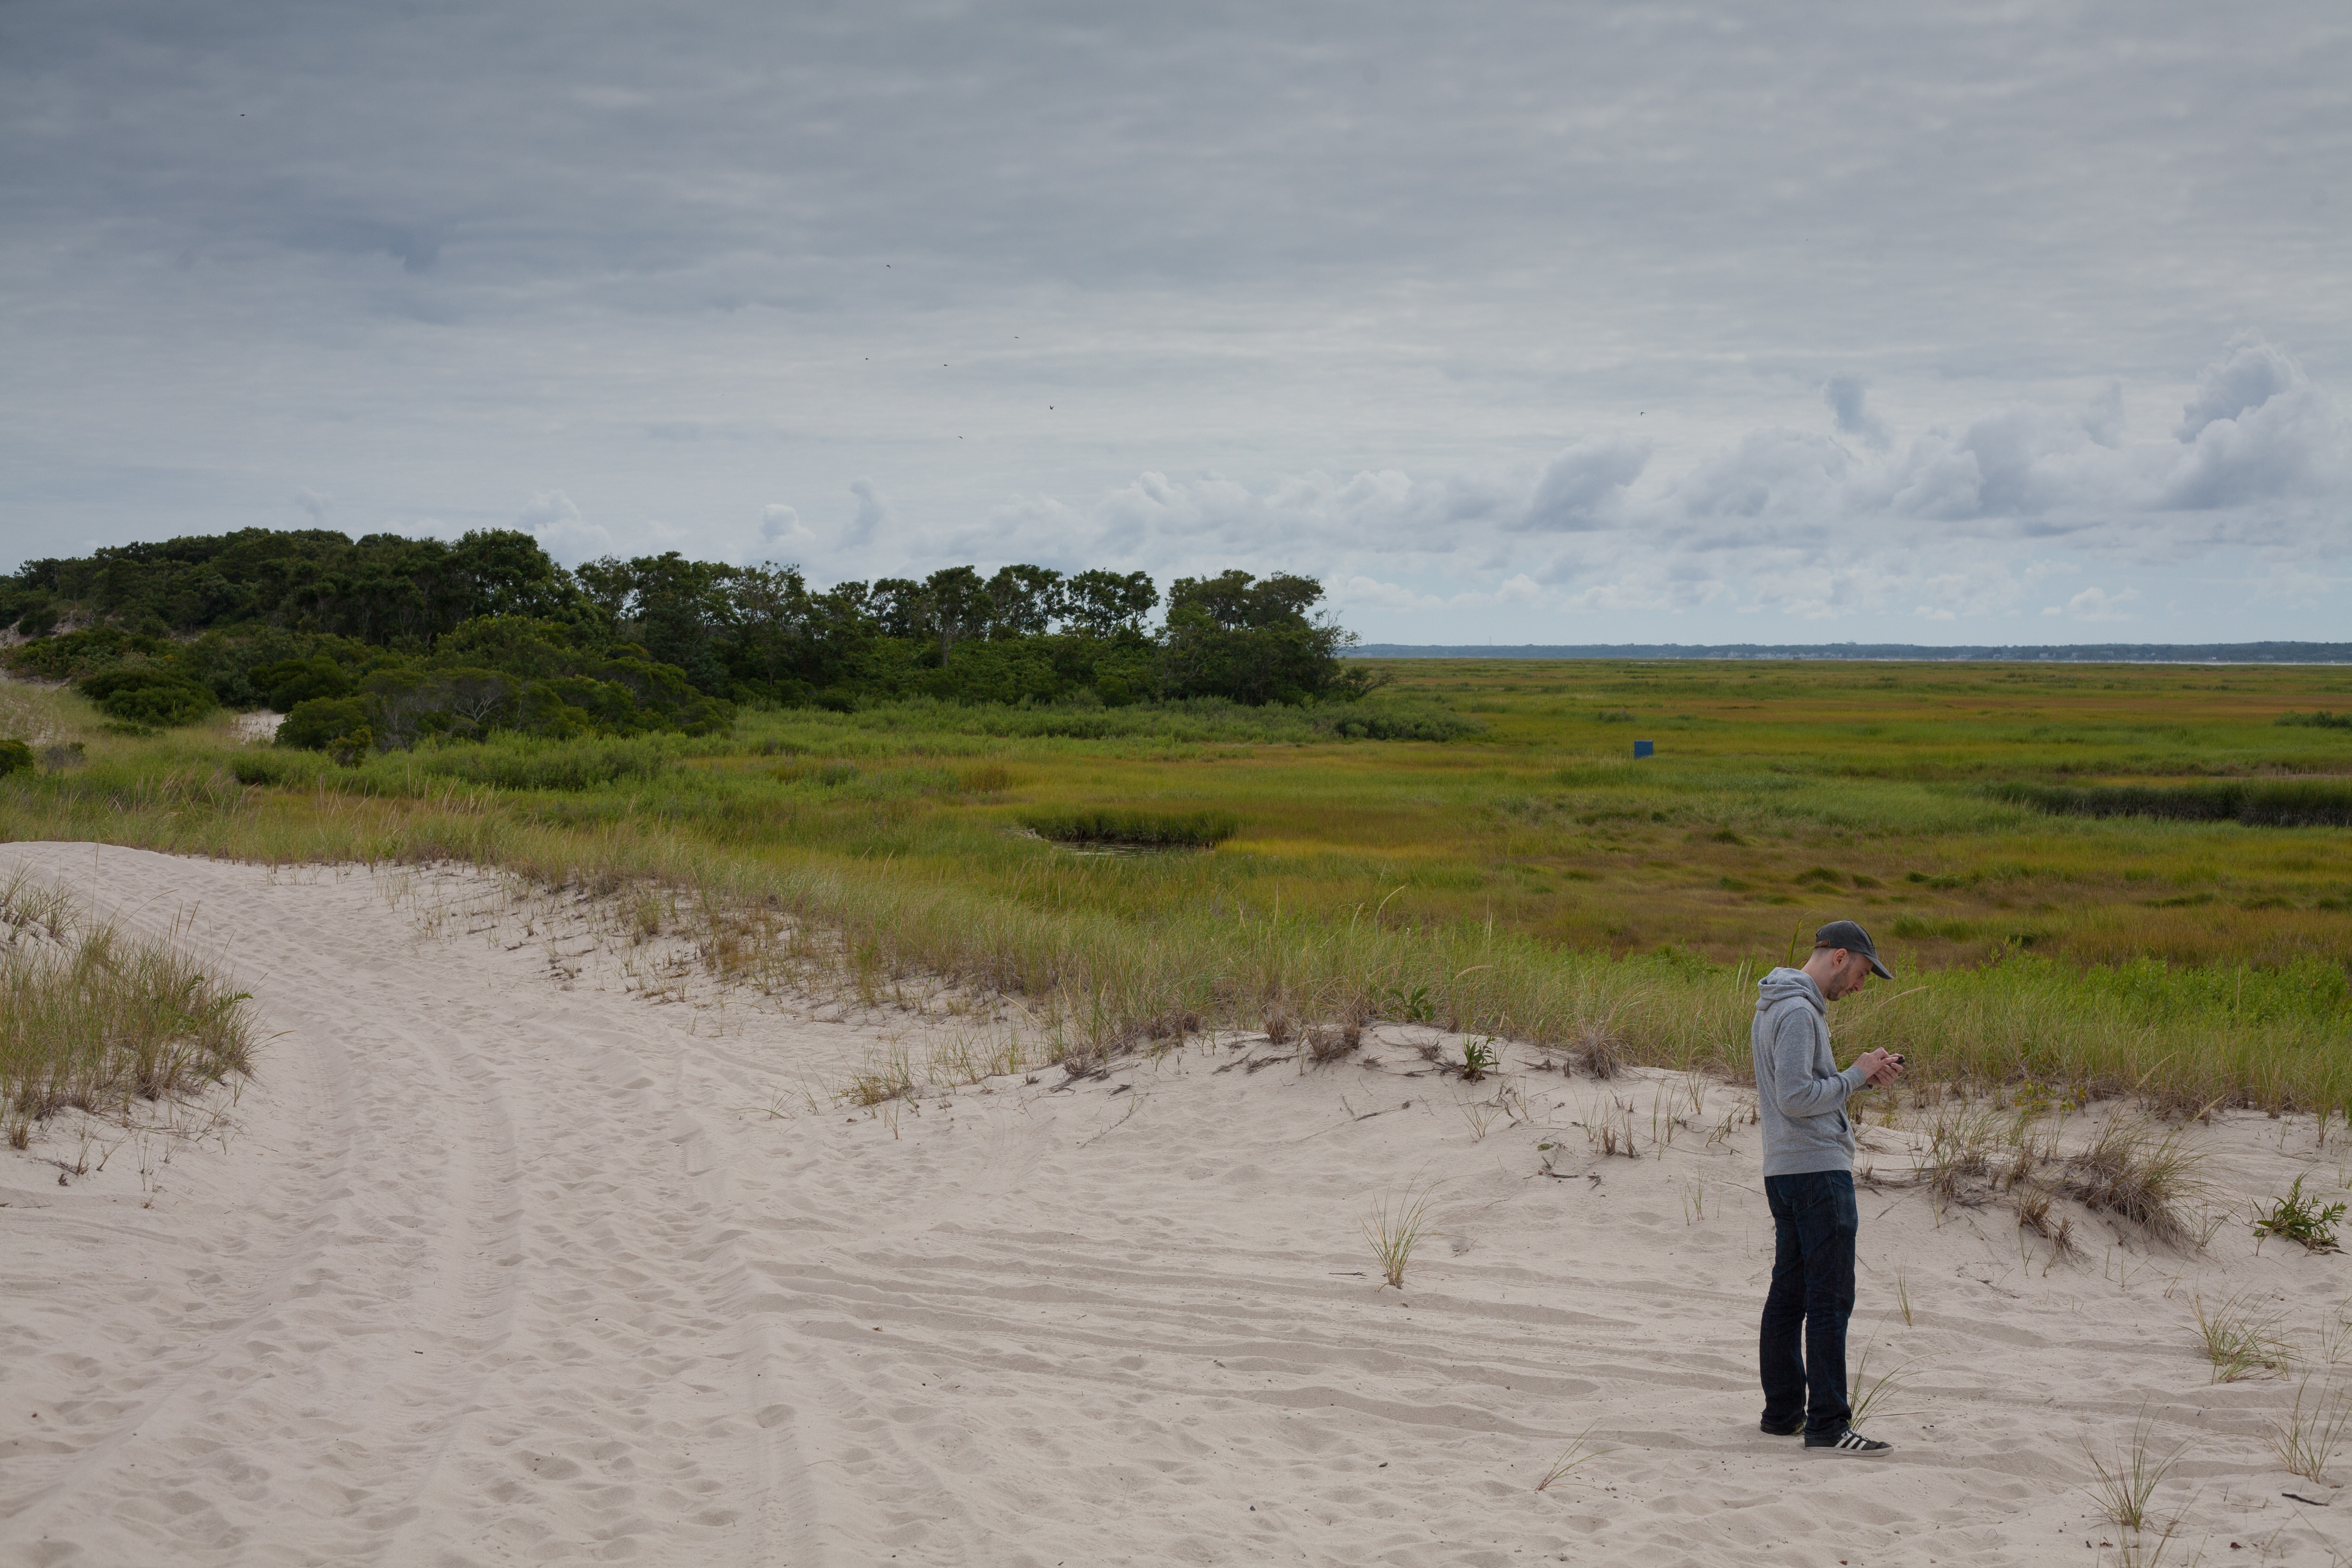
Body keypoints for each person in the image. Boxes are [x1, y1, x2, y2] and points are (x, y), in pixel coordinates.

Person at [1753, 919, 1905, 1454]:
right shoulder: (1798, 1010)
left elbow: (1798, 1092)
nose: (1862, 985)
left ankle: (1783, 1413)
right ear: (1839, 956)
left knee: (1790, 1292)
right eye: (1863, 971)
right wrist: (1857, 1075)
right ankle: (1827, 1423)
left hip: (1785, 1168)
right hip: (1816, 1169)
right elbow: (1797, 1097)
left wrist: (1858, 1075)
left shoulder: (1777, 1003)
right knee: (1829, 1296)